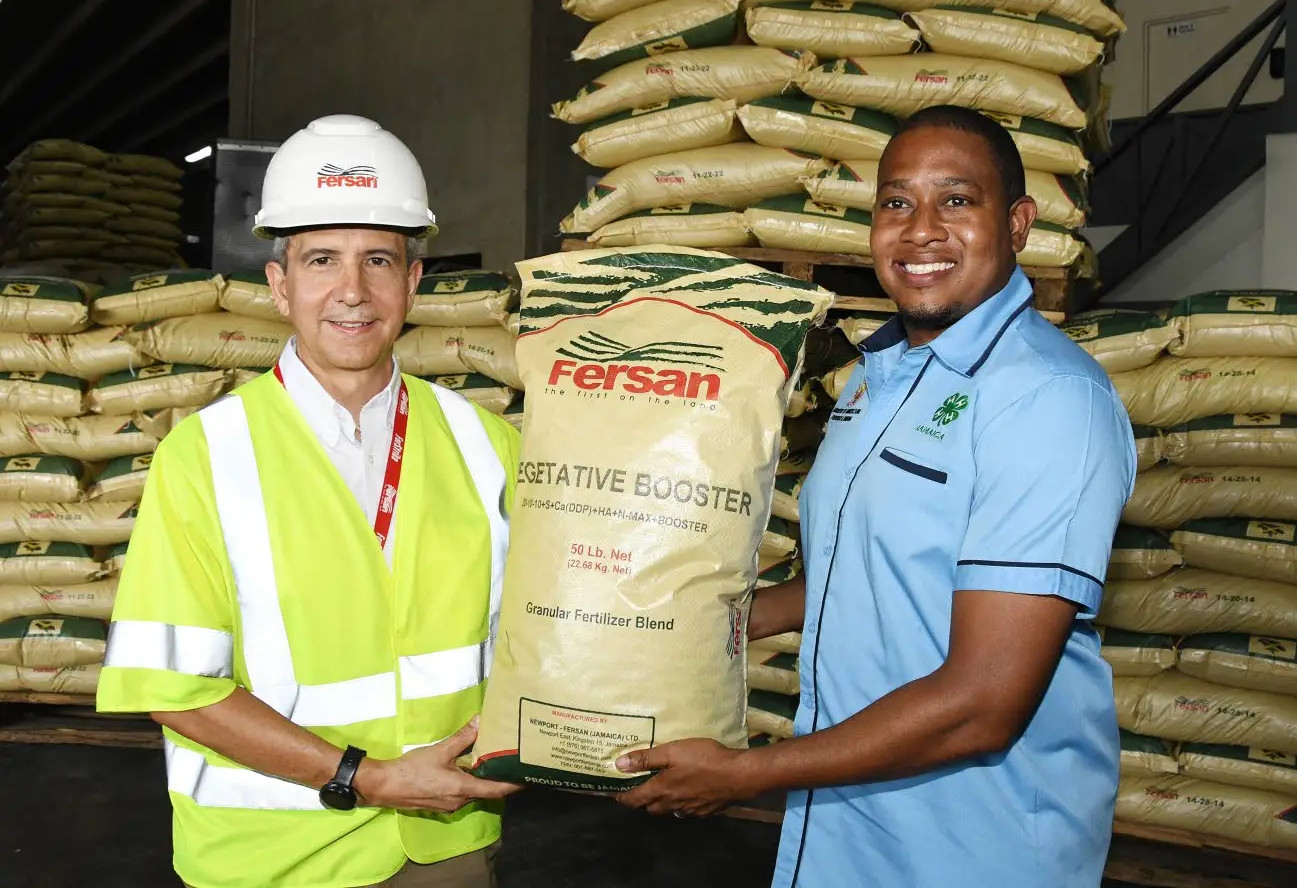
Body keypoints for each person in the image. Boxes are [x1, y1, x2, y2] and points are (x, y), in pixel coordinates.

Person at [615, 105, 1136, 887]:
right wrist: (712, 618)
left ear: (1019, 222)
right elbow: (859, 571)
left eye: (956, 200)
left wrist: (744, 773)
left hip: (970, 845)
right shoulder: (876, 379)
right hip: (846, 831)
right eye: (896, 202)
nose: (920, 229)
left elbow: (984, 701)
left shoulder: (1045, 399)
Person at [97, 114, 522, 888]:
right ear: (279, 283)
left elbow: (539, 636)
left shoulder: (485, 445)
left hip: (446, 845)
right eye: (321, 259)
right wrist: (368, 777)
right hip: (268, 860)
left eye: (379, 260)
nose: (352, 292)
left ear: (414, 281)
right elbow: (172, 688)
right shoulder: (205, 456)